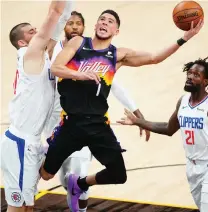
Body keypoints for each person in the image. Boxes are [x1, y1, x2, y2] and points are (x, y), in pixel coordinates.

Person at [40, 9, 203, 212]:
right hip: (71, 123)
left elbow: (154, 57)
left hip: (98, 125)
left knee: (119, 174)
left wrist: (184, 38)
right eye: (101, 19)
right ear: (95, 25)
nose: (104, 23)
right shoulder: (78, 43)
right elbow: (56, 68)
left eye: (110, 21)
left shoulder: (118, 55)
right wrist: (82, 75)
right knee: (46, 175)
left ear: (116, 30)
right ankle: (37, 155)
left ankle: (79, 184)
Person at [43, 11, 148, 212]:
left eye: (78, 23)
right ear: (63, 27)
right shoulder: (56, 49)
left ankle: (80, 196)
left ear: (85, 27)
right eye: (70, 23)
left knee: (79, 177)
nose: (74, 27)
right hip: (59, 122)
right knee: (56, 177)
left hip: (91, 122)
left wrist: (136, 110)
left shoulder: (92, 51)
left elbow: (114, 85)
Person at [0, 1, 72, 211]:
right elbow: (54, 13)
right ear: (22, 42)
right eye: (32, 31)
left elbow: (60, 20)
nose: (38, 31)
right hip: (21, 143)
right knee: (18, 208)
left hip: (30, 141)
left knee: (28, 206)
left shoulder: (42, 56)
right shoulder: (29, 55)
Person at [117, 57, 208, 212]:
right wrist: (138, 121)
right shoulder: (183, 101)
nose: (190, 77)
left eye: (196, 75)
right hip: (191, 168)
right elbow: (168, 128)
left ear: (205, 82)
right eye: (189, 73)